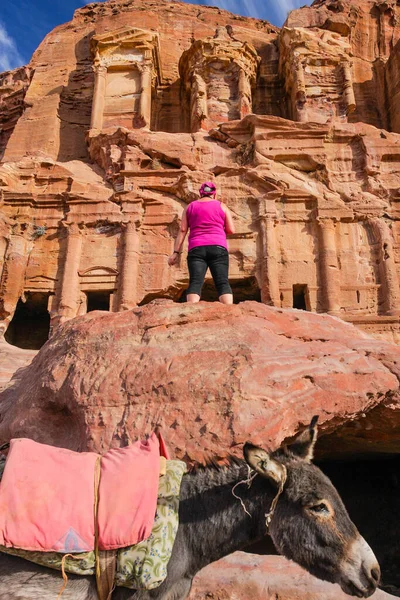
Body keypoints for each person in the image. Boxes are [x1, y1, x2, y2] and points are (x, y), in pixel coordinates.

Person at [168, 182, 235, 304]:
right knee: (222, 282)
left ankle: (191, 311)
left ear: (200, 193)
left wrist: (175, 253)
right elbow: (231, 230)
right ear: (214, 194)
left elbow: (183, 230)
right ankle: (229, 312)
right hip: (218, 247)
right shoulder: (222, 206)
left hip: (196, 248)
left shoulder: (190, 207)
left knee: (195, 282)